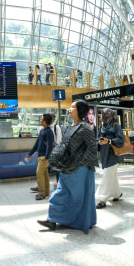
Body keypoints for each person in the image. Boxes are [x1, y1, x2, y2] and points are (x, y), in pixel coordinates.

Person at [37, 100, 98, 233]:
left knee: (77, 198)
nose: (69, 109)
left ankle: (76, 220)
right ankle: (51, 219)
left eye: (72, 107)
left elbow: (92, 147)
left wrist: (81, 163)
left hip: (79, 170)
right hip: (66, 167)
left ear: (79, 111)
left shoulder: (85, 128)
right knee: (59, 194)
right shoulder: (70, 126)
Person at [96, 108, 125, 209]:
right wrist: (99, 142)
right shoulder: (102, 126)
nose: (103, 117)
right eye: (102, 115)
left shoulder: (115, 125)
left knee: (106, 175)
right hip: (104, 153)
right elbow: (99, 137)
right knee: (111, 175)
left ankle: (102, 199)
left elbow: (121, 138)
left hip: (113, 154)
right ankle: (117, 193)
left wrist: (109, 141)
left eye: (105, 115)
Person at [27, 113, 54, 200]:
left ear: (45, 122)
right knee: (45, 174)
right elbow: (37, 143)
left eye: (42, 119)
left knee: (39, 173)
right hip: (41, 156)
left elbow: (49, 146)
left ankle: (41, 192)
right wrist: (30, 153)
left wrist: (47, 157)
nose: (40, 120)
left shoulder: (49, 132)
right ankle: (46, 191)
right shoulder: (42, 131)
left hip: (44, 157)